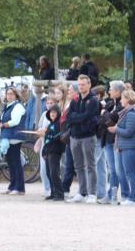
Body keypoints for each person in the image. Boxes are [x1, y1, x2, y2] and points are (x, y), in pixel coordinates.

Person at [65, 75, 100, 203]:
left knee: (90, 165)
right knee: (78, 166)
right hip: (74, 137)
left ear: (89, 85)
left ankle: (92, 193)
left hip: (88, 137)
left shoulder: (94, 100)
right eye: (79, 85)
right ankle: (82, 192)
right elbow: (69, 116)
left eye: (83, 84)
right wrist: (79, 118)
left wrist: (78, 118)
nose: (81, 87)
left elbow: (88, 117)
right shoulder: (74, 100)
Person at [110, 90, 135, 205]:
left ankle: (134, 198)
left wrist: (116, 129)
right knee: (128, 172)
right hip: (125, 146)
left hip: (130, 147)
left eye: (123, 98)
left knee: (130, 172)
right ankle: (132, 197)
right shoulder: (126, 113)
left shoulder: (131, 114)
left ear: (128, 100)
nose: (121, 101)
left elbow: (129, 132)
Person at [98, 81, 124, 204]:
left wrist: (105, 114)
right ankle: (110, 195)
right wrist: (106, 116)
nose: (109, 91)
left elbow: (112, 120)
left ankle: (114, 195)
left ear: (118, 91)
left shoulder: (121, 105)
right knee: (111, 169)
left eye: (111, 89)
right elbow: (104, 120)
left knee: (116, 169)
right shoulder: (109, 103)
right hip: (107, 139)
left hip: (116, 140)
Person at [0, 86, 27, 195]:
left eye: (11, 94)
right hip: (8, 137)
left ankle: (19, 188)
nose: (9, 96)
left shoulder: (18, 106)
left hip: (14, 137)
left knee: (16, 162)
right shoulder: (7, 106)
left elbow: (15, 121)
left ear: (16, 95)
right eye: (8, 94)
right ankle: (12, 186)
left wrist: (3, 125)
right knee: (10, 163)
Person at [40, 105, 65, 201]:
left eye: (54, 112)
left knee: (54, 172)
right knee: (48, 172)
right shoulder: (50, 125)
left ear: (58, 113)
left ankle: (60, 193)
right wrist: (44, 150)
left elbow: (57, 136)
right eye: (51, 112)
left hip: (55, 150)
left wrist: (47, 135)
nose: (52, 114)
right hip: (48, 150)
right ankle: (53, 192)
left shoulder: (59, 124)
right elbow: (46, 140)